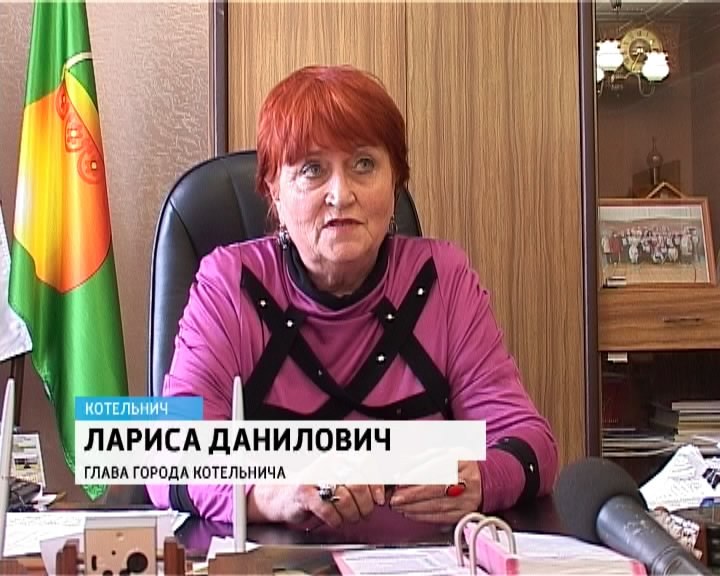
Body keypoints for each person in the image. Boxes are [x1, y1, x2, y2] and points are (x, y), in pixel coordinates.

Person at [147, 65, 558, 538]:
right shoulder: (228, 283)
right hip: (278, 562)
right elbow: (163, 456)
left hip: (420, 562)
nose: (341, 195)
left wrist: (482, 478)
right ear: (274, 192)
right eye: (312, 170)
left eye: (364, 164)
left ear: (394, 181)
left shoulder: (443, 277)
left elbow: (532, 443)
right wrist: (268, 492)